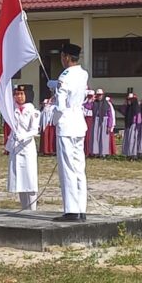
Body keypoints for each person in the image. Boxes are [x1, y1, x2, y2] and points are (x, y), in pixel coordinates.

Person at [50, 43, 89, 222]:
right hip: (79, 123)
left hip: (66, 124)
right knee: (79, 167)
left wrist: (54, 119)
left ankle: (71, 210)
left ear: (66, 57)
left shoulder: (64, 76)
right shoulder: (83, 73)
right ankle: (81, 208)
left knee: (67, 168)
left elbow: (60, 104)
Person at [6, 85, 40, 210]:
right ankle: (24, 208)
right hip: (16, 147)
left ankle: (32, 209)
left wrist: (23, 136)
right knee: (19, 180)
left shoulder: (33, 111)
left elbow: (34, 130)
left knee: (29, 179)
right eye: (16, 94)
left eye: (21, 94)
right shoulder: (13, 110)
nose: (18, 97)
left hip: (27, 147)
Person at [91, 89, 114, 158]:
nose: (99, 97)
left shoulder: (107, 104)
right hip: (96, 120)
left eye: (100, 95)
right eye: (98, 95)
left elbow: (110, 115)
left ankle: (103, 153)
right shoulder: (94, 103)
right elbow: (87, 106)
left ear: (103, 95)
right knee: (95, 136)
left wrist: (109, 125)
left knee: (104, 137)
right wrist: (90, 100)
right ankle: (95, 152)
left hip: (104, 120)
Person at [118, 93, 140, 160]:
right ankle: (127, 153)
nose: (129, 101)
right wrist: (125, 103)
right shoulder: (128, 108)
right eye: (128, 100)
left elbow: (139, 119)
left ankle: (133, 154)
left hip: (133, 125)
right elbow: (121, 110)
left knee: (132, 140)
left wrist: (137, 126)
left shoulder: (136, 108)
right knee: (127, 140)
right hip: (127, 125)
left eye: (130, 100)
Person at [81, 90, 94, 156]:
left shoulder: (94, 103)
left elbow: (90, 107)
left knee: (90, 135)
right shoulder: (85, 103)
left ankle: (90, 151)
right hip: (85, 118)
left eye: (91, 96)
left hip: (91, 119)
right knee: (85, 135)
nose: (90, 97)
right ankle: (85, 150)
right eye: (88, 96)